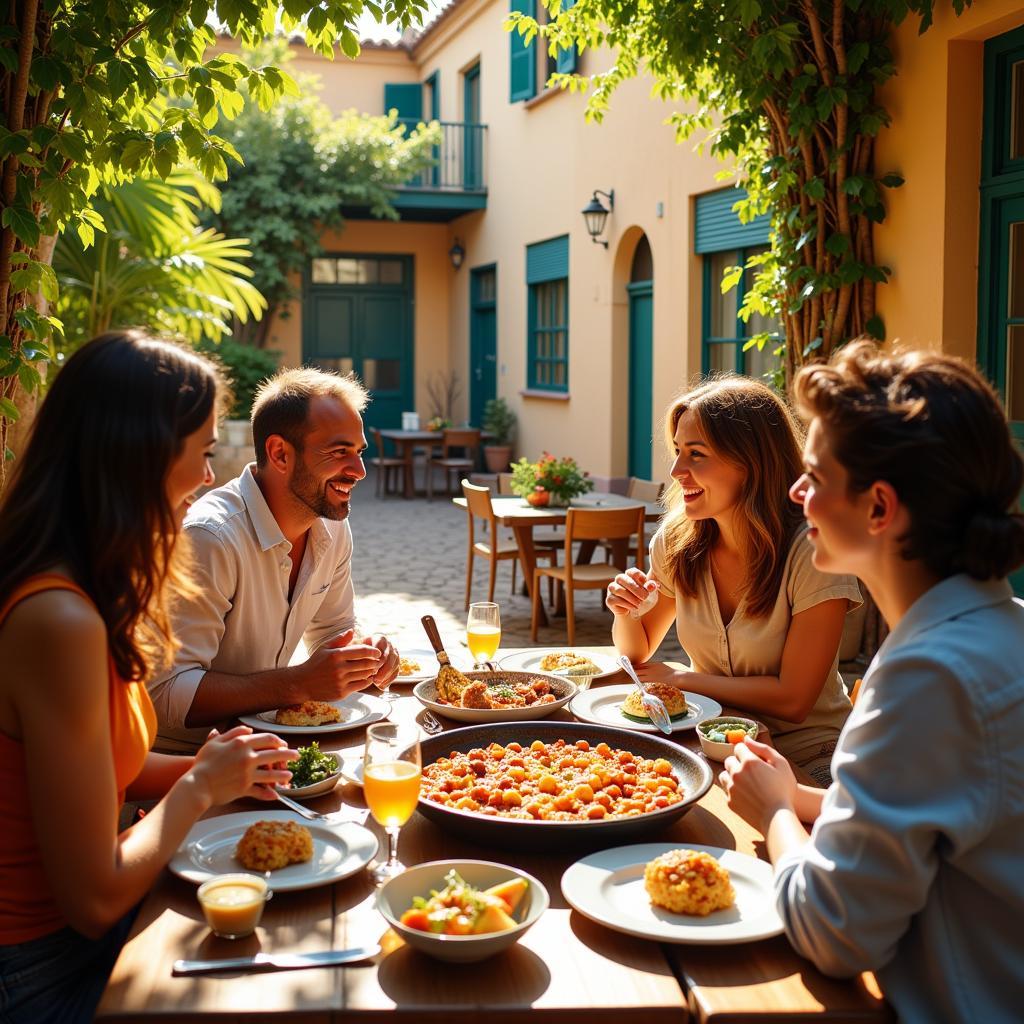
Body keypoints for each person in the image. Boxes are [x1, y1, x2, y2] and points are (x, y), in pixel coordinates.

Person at [721, 341, 1024, 1022]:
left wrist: (772, 815)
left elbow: (834, 932)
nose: (797, 494)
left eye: (812, 476)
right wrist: (799, 797)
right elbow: (956, 824)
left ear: (879, 507)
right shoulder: (1001, 631)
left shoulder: (929, 675)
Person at [0, 331, 295, 1024]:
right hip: (47, 969)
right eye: (199, 455)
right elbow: (95, 895)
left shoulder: (84, 585)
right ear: (137, 459)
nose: (208, 478)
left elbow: (109, 772)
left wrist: (234, 767)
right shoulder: (58, 619)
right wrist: (199, 785)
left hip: (83, 941)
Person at [607, 376, 861, 785]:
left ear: (750, 463)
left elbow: (794, 700)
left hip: (808, 752)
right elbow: (636, 658)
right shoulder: (677, 540)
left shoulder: (813, 551)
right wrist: (625, 611)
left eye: (696, 454)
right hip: (712, 739)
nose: (676, 471)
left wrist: (683, 680)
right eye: (677, 452)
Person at [149, 366, 399, 751]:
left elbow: (334, 632)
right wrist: (297, 683)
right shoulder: (210, 537)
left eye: (359, 452)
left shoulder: (330, 525)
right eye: (339, 452)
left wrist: (364, 657)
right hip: (185, 765)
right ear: (280, 453)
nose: (360, 471)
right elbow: (165, 694)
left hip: (274, 748)